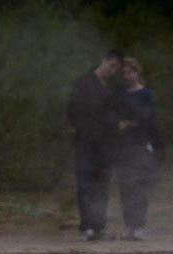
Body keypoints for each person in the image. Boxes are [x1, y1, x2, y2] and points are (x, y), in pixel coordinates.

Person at [66, 49, 125, 241]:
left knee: (102, 186)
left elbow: (119, 110)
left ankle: (99, 227)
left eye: (116, 68)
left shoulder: (115, 86)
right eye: (112, 65)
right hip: (85, 143)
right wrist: (87, 130)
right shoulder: (82, 83)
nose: (113, 70)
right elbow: (72, 112)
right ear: (105, 60)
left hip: (107, 144)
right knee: (85, 184)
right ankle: (87, 227)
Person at [114, 56, 165, 241]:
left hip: (141, 144)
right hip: (123, 145)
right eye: (124, 73)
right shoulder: (120, 94)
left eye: (130, 72)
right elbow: (116, 115)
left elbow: (148, 117)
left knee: (139, 186)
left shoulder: (145, 94)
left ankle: (139, 226)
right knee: (125, 186)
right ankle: (129, 225)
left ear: (137, 72)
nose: (127, 76)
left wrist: (130, 121)